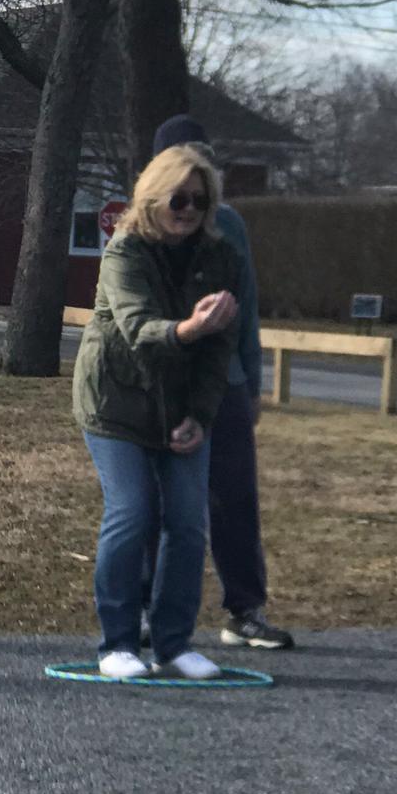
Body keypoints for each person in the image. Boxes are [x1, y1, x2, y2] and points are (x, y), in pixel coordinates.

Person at [73, 145, 239, 680]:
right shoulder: (125, 252)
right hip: (115, 401)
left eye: (199, 200)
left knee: (188, 522)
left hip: (179, 405)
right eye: (178, 198)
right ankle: (117, 645)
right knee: (132, 511)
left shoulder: (219, 257)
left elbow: (219, 354)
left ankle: (172, 643)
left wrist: (201, 415)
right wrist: (191, 327)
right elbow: (139, 331)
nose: (188, 209)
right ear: (153, 196)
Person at [151, 115, 294, 650]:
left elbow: (248, 309)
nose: (192, 179)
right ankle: (148, 609)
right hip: (166, 381)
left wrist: (253, 383)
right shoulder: (145, 224)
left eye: (202, 164)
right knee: (157, 501)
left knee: (234, 498)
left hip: (226, 383)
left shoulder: (229, 225)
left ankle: (244, 610)